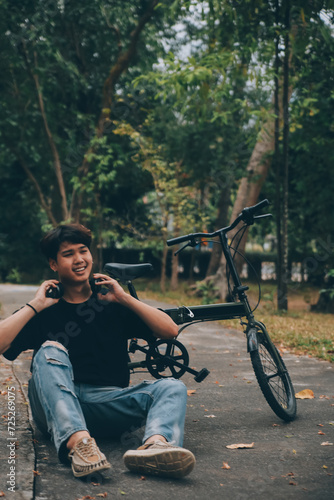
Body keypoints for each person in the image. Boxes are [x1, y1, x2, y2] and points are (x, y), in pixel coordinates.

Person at [0, 224, 195, 479]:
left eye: (83, 251)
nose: (79, 259)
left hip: (105, 402)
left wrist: (124, 298)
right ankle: (79, 443)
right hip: (53, 405)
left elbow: (170, 330)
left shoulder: (110, 301)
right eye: (68, 254)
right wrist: (35, 305)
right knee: (51, 349)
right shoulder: (45, 308)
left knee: (173, 387)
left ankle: (155, 446)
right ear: (53, 264)